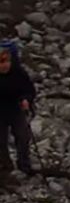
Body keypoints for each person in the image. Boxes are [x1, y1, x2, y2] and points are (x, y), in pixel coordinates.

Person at [0, 40, 36, 176]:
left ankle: (24, 164)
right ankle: (5, 166)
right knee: (0, 141)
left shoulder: (19, 73)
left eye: (6, 61)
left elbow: (29, 89)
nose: (4, 65)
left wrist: (26, 99)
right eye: (1, 62)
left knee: (23, 136)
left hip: (16, 109)